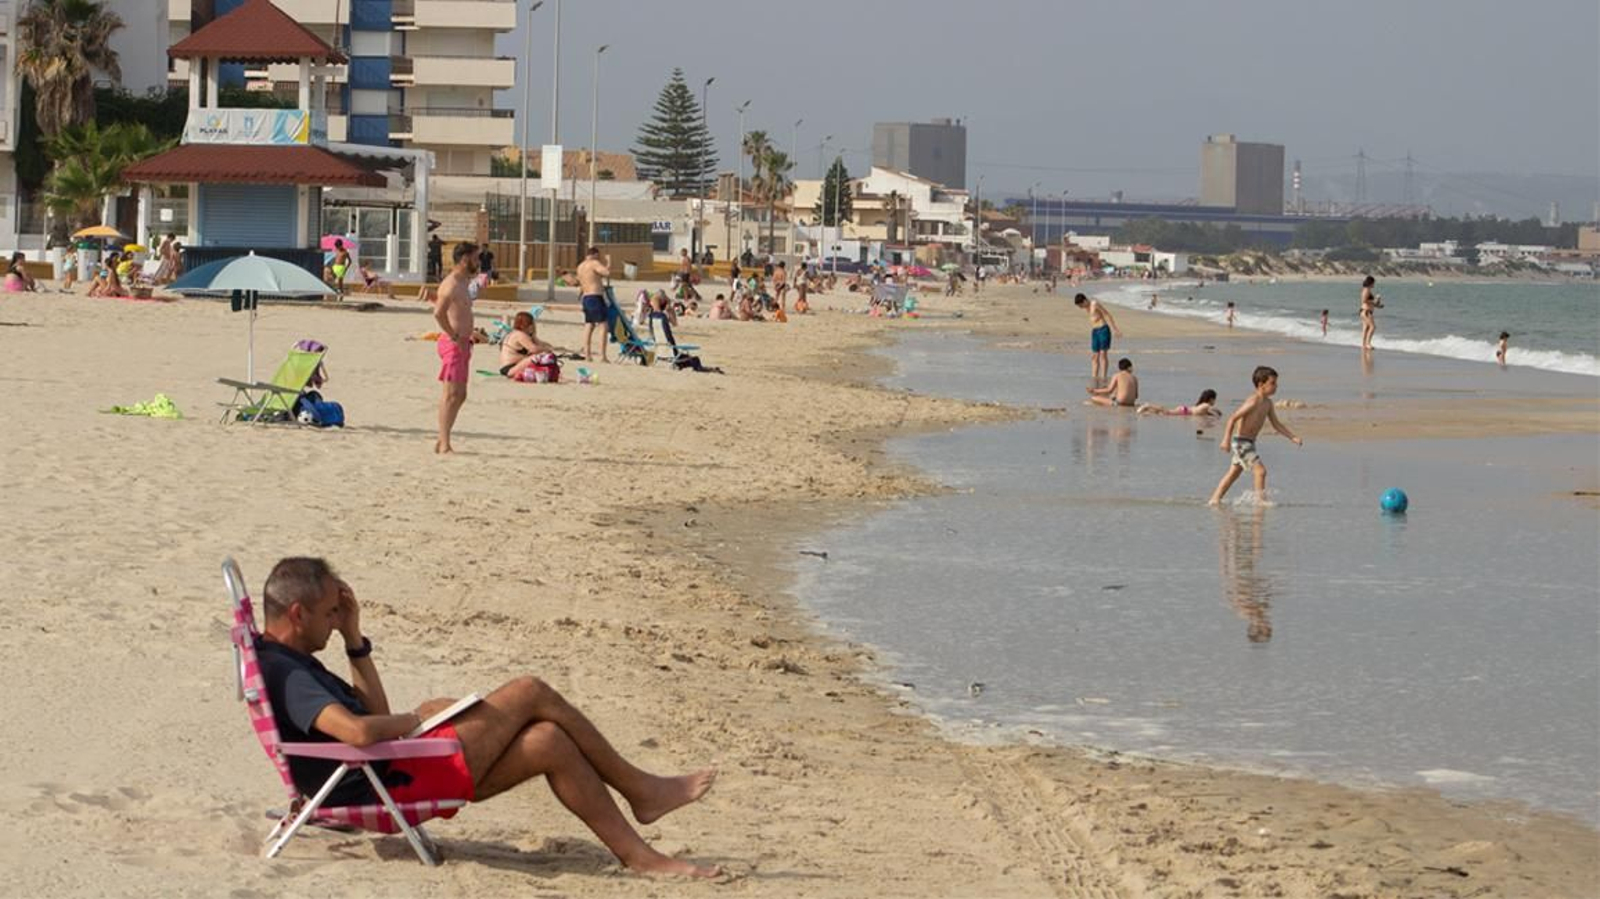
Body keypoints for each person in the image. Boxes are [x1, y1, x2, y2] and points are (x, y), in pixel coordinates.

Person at [254, 558, 721, 878]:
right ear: (297, 614)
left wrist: (354, 640)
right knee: (530, 690)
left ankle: (637, 855)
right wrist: (414, 719)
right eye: (331, 613)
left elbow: (371, 714)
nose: (335, 621)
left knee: (548, 740)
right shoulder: (288, 674)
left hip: (386, 771)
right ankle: (642, 790)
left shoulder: (287, 661)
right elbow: (358, 730)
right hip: (389, 782)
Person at [1208, 365, 1303, 506]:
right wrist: (1226, 440)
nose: (1276, 386)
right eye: (1272, 383)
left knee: (1233, 473)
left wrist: (1292, 437)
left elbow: (1276, 424)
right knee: (1261, 471)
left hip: (1250, 443)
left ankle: (1214, 499)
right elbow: (1232, 418)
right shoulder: (1253, 401)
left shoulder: (1268, 403)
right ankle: (1260, 502)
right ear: (1261, 384)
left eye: (1276, 383)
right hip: (1241, 442)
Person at [432, 242, 478, 454]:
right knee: (451, 394)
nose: (478, 262)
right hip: (453, 343)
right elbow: (438, 313)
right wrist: (454, 335)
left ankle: (442, 437)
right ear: (465, 259)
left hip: (464, 343)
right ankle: (444, 442)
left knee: (460, 394)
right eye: (475, 258)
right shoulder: (451, 284)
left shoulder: (463, 282)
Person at [1073, 292, 1123, 380]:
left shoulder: (1094, 304)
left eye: (1081, 305)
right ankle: (1094, 377)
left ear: (1085, 301)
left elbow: (1107, 314)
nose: (1081, 308)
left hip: (1103, 329)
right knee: (1095, 356)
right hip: (1095, 331)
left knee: (1103, 354)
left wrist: (1115, 329)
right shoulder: (1087, 307)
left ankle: (1103, 376)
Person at [576, 247, 611, 363]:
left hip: (586, 297)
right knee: (603, 325)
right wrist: (609, 262)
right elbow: (606, 273)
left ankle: (587, 355)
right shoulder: (594, 263)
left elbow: (582, 282)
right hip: (595, 296)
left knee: (589, 325)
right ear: (595, 255)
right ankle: (603, 356)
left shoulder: (580, 266)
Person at [499, 311, 556, 379]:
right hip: (510, 369)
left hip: (509, 367)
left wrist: (534, 336)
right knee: (536, 357)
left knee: (538, 356)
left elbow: (541, 344)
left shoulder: (515, 333)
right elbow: (534, 349)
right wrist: (546, 349)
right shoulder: (521, 335)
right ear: (530, 325)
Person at [1138, 389, 1221, 417]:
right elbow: (1215, 411)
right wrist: (1219, 414)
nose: (1215, 402)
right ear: (1211, 399)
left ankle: (1147, 410)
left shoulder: (1202, 405)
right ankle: (1148, 405)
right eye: (1215, 399)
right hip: (1185, 411)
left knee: (1164, 412)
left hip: (1185, 410)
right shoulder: (1206, 405)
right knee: (1166, 412)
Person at [1359, 275, 1382, 351]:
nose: (1374, 284)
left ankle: (1364, 345)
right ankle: (1368, 343)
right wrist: (1374, 300)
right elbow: (1364, 300)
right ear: (1370, 282)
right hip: (1366, 311)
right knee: (1372, 327)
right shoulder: (1366, 290)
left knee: (1366, 328)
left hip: (1365, 311)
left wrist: (1377, 305)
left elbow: (1369, 302)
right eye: (1373, 283)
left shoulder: (1367, 290)